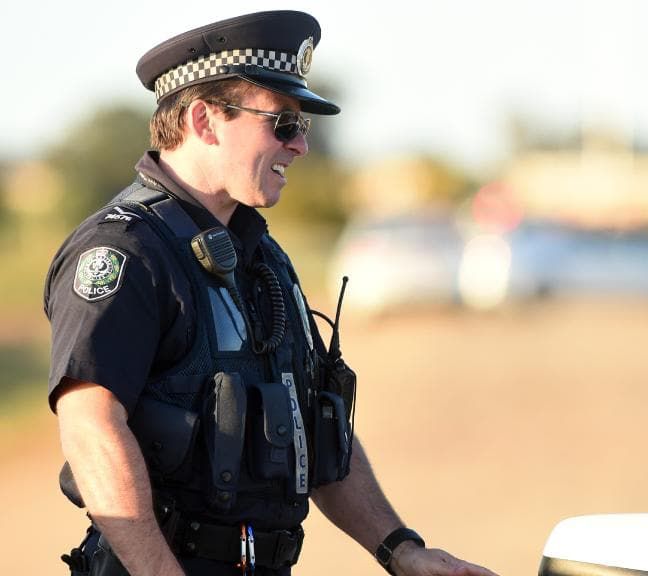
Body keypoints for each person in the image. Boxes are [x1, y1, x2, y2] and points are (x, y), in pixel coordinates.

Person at [44, 11, 498, 576]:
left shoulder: (262, 258)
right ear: (205, 120)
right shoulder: (125, 251)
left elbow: (315, 428)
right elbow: (91, 425)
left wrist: (401, 550)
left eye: (302, 126)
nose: (302, 145)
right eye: (283, 123)